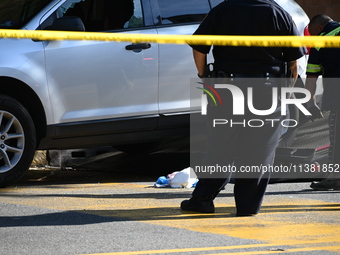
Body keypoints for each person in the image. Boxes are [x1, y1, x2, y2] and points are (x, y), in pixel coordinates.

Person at [181, 0, 306, 216]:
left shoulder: (222, 10)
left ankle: (202, 199)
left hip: (228, 89)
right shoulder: (279, 13)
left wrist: (204, 76)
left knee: (220, 145)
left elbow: (199, 48)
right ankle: (248, 207)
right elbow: (294, 62)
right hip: (268, 91)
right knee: (260, 150)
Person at [305, 14, 340, 191]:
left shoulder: (322, 41)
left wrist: (310, 104)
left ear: (319, 28)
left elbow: (311, 76)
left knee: (337, 136)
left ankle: (335, 177)